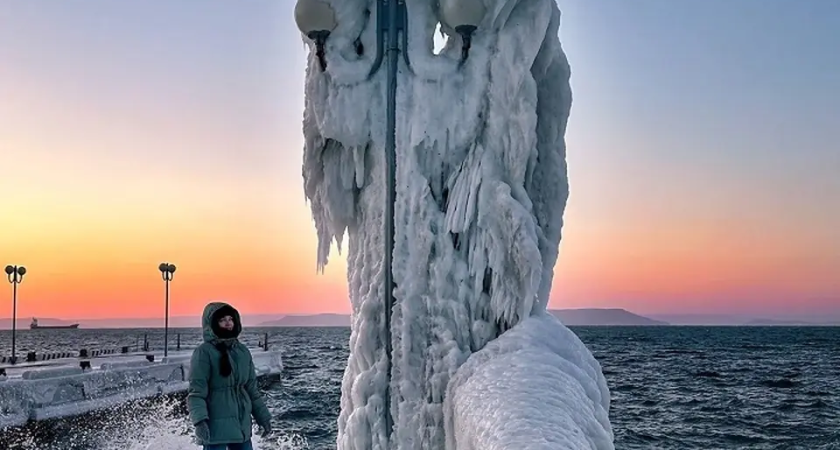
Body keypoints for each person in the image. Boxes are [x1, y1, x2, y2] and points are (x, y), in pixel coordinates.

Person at [187, 302, 272, 450]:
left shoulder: (242, 351)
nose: (228, 323)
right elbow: (196, 392)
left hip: (241, 428)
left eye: (230, 319)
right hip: (215, 430)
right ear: (212, 324)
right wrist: (200, 422)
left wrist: (263, 417)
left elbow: (252, 390)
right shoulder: (204, 352)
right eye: (222, 320)